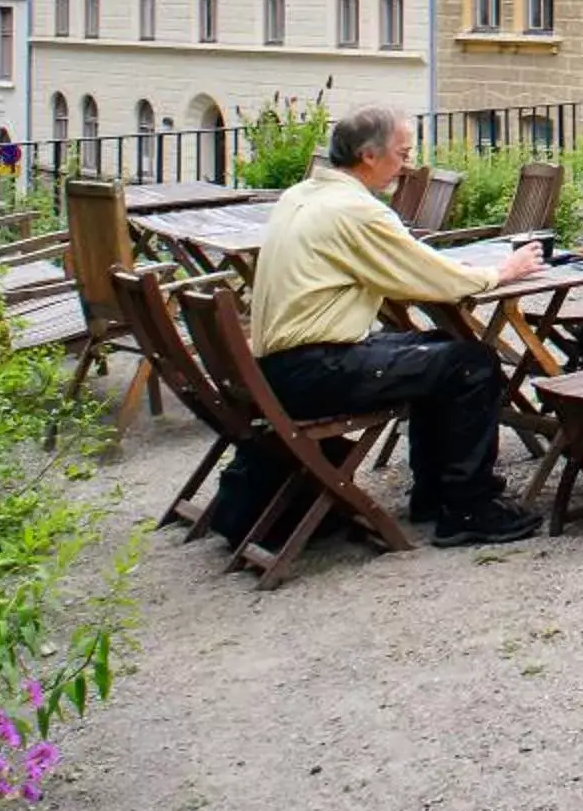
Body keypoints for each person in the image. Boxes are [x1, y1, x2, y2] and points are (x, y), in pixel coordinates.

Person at [229, 104, 546, 547]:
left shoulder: (300, 194)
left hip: (279, 368)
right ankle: (467, 506)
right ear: (368, 155)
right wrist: (503, 272)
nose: (407, 165)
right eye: (402, 153)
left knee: (440, 346)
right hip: (316, 368)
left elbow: (404, 266)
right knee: (471, 364)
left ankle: (436, 495)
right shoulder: (355, 209)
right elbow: (429, 277)